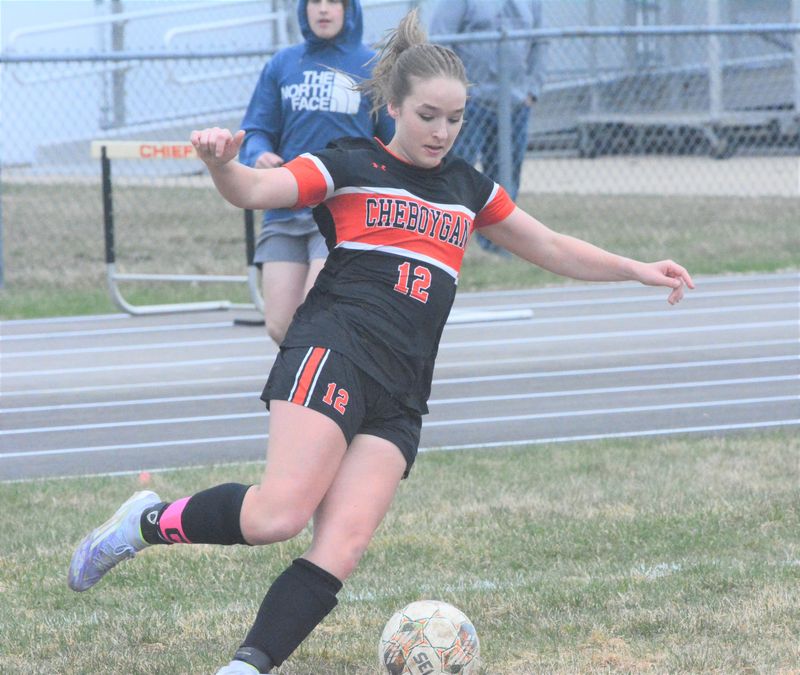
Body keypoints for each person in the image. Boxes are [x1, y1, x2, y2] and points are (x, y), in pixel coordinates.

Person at [67, 9, 693, 674]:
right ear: (393, 105)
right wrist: (223, 165)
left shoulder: (467, 187)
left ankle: (245, 667)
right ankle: (144, 522)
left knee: (342, 547)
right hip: (333, 349)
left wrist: (636, 269)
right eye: (428, 115)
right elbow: (258, 188)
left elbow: (552, 246)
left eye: (454, 118)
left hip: (403, 386)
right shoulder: (349, 163)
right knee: (278, 516)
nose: (442, 131)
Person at [240, 0, 393, 344]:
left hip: (343, 211)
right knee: (280, 325)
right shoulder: (282, 64)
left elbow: (393, 139)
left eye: (333, 2)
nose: (323, 9)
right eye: (315, 2)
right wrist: (259, 153)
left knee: (316, 314)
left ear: (349, 9)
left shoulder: (372, 66)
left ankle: (341, 373)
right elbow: (256, 129)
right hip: (285, 208)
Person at [429, 0, 547, 257]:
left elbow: (540, 42)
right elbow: (440, 41)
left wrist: (532, 90)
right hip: (470, 103)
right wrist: (456, 92)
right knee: (457, 173)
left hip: (516, 103)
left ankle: (498, 246)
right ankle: (445, 240)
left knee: (506, 177)